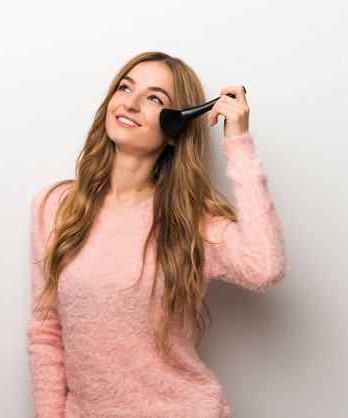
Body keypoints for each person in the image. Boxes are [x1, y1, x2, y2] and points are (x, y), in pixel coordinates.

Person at [27, 51, 287, 418]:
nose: (130, 103)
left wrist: (238, 144)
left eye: (153, 98)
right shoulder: (54, 207)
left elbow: (264, 268)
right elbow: (46, 333)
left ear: (174, 129)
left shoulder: (190, 221)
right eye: (124, 87)